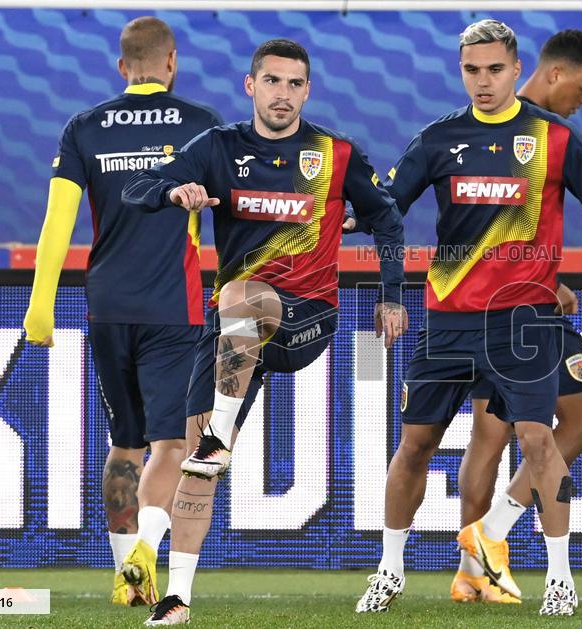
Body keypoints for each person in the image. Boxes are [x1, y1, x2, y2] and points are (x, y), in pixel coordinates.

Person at [355, 19, 582, 617]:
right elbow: (386, 210)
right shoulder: (438, 139)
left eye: (493, 69)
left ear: (518, 70)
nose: (482, 82)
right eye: (471, 70)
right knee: (413, 447)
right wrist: (340, 219)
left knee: (539, 440)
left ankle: (560, 579)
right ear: (461, 72)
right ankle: (389, 571)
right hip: (448, 321)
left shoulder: (554, 138)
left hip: (525, 322)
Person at [122, 38, 407, 626]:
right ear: (250, 86)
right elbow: (136, 191)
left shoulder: (335, 154)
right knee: (196, 463)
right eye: (272, 82)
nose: (284, 94)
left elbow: (386, 218)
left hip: (306, 318)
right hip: (235, 336)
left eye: (295, 83)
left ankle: (220, 433)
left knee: (236, 297)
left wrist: (390, 296)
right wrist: (174, 191)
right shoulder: (218, 148)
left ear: (308, 90)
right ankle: (177, 598)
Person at [22, 16, 222, 607]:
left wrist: (41, 306)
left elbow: (58, 223)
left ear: (121, 67)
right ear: (171, 62)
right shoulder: (200, 125)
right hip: (173, 305)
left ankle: (123, 575)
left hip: (107, 305)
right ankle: (145, 556)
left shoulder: (84, 128)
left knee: (123, 445)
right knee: (172, 447)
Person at [452, 29, 582, 604]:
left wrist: (553, 280)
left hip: (538, 303)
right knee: (491, 435)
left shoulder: (554, 136)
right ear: (553, 74)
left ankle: (488, 537)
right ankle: (474, 567)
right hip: (496, 313)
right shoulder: (499, 131)